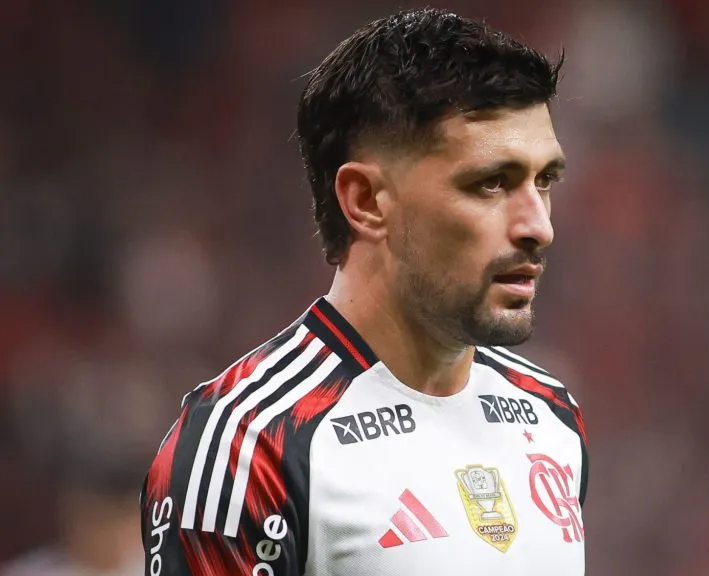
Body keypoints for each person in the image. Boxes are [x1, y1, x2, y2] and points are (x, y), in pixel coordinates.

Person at [140, 8, 587, 575]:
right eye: (491, 183)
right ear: (366, 201)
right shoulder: (249, 445)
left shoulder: (551, 416)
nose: (539, 226)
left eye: (544, 180)